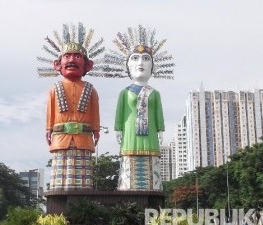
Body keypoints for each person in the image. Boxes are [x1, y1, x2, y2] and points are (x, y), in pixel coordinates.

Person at [105, 25, 174, 190]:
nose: (140, 62)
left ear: (152, 66)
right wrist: (118, 129)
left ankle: (153, 187)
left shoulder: (154, 93)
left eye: (146, 58)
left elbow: (158, 113)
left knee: (151, 164)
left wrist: (160, 129)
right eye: (135, 58)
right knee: (129, 160)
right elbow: (120, 113)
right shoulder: (125, 92)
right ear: (128, 65)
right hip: (129, 133)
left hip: (150, 133)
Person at [38, 23, 106, 190]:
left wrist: (96, 130)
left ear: (87, 65)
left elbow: (95, 112)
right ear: (57, 64)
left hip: (83, 137)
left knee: (83, 178)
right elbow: (50, 112)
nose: (71, 60)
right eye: (67, 56)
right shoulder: (55, 88)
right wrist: (48, 129)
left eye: (77, 56)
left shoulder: (90, 90)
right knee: (60, 178)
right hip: (61, 137)